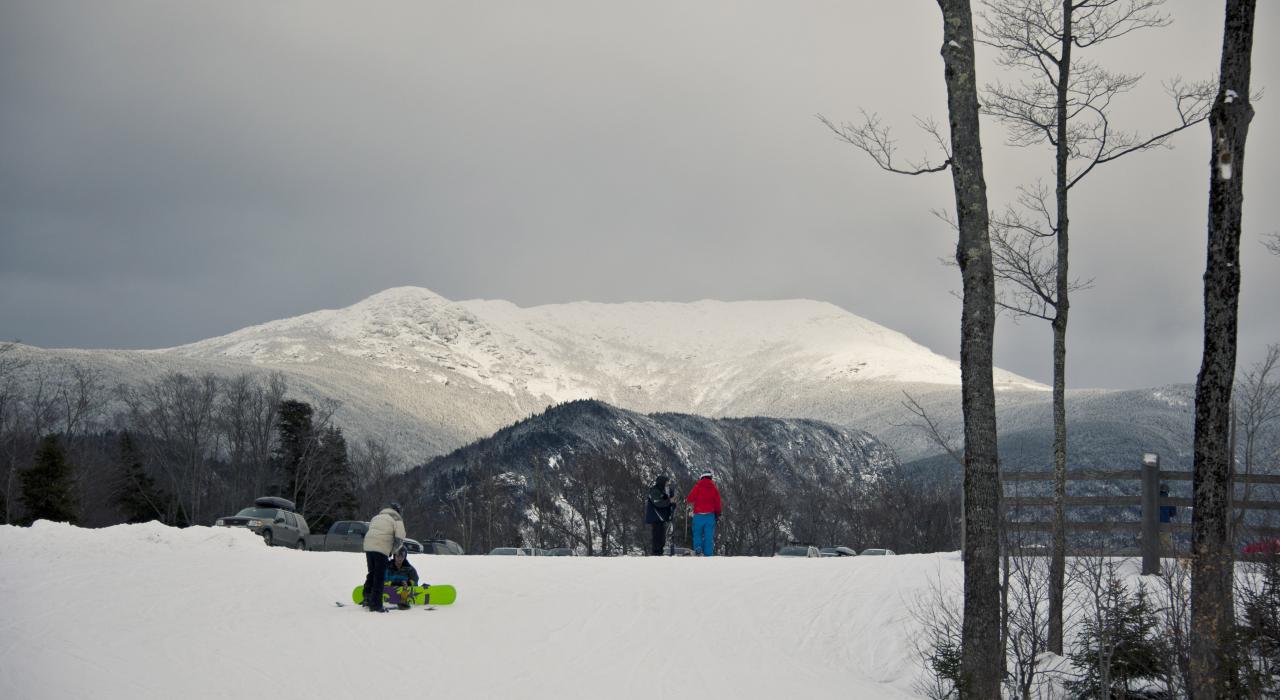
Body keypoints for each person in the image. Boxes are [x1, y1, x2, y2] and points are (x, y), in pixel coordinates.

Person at [362, 502, 406, 613]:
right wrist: (392, 551)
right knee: (379, 577)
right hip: (381, 547)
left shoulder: (377, 517)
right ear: (398, 511)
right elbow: (400, 538)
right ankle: (376, 605)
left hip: (368, 546)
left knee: (371, 573)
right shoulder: (397, 519)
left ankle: (367, 598)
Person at [685, 470, 722, 557]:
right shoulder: (714, 488)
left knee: (697, 534)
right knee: (708, 536)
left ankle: (698, 550)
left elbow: (690, 498)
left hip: (698, 515)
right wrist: (718, 513)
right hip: (710, 516)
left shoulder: (698, 486)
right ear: (710, 477)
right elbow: (718, 502)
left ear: (702, 477)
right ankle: (708, 555)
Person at [645, 474, 676, 555]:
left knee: (662, 536)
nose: (667, 484)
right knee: (657, 535)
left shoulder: (665, 490)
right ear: (662, 482)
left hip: (662, 517)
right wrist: (670, 501)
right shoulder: (655, 491)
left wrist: (672, 504)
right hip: (656, 516)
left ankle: (659, 552)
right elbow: (658, 503)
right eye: (666, 482)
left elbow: (670, 501)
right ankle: (656, 553)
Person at [385, 545, 420, 610]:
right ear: (394, 556)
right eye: (398, 556)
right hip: (388, 590)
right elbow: (382, 581)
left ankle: (403, 602)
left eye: (402, 556)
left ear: (405, 557)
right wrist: (394, 583)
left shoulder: (410, 569)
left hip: (405, 591)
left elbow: (415, 582)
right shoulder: (387, 567)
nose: (400, 558)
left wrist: (408, 583)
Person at [1158, 483, 1177, 552]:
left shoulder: (1152, 499)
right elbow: (1173, 513)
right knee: (1167, 548)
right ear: (1167, 491)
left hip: (1153, 526)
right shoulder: (1170, 500)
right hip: (1165, 525)